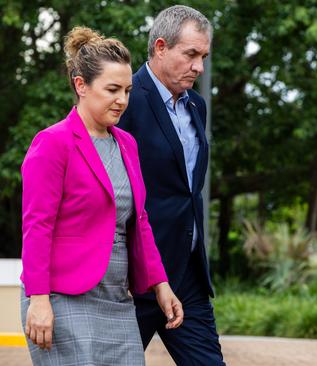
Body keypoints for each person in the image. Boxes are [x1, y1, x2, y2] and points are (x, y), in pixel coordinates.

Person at [20, 26, 183, 366]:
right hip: (62, 298)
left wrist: (160, 283)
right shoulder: (52, 143)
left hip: (116, 299)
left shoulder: (127, 144)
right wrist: (38, 299)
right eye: (112, 89)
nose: (122, 100)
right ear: (81, 86)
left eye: (126, 90)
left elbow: (139, 222)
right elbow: (38, 226)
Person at [118, 5, 225, 365]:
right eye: (191, 54)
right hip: (135, 278)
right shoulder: (125, 101)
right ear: (161, 47)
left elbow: (188, 188)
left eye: (204, 56)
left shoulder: (197, 105)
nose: (199, 67)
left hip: (188, 273)